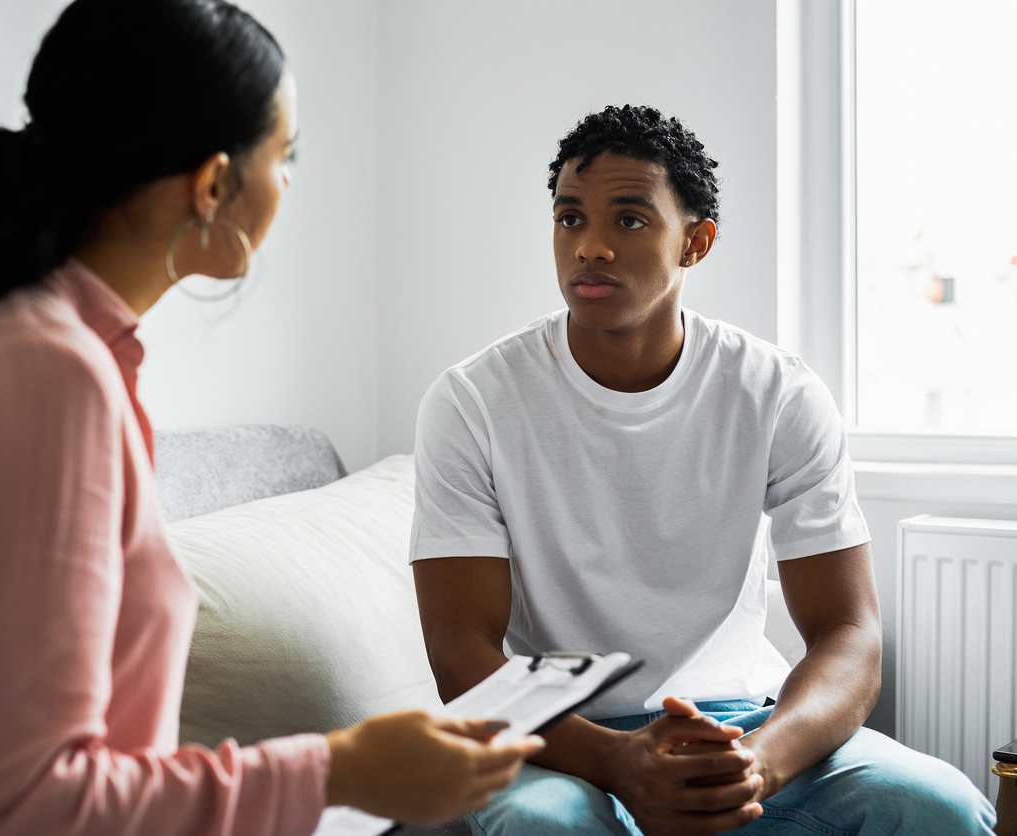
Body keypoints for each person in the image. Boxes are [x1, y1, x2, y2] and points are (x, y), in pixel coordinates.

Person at [0, 1, 544, 833]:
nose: (288, 183)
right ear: (214, 183)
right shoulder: (36, 378)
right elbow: (16, 806)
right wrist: (336, 770)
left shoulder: (17, 349)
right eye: (286, 156)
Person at [409, 104, 996, 835]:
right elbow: (459, 654)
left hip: (746, 725)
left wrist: (760, 762)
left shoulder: (778, 392)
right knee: (545, 828)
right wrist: (621, 762)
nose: (589, 246)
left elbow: (850, 633)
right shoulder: (472, 401)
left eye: (628, 220)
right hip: (558, 738)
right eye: (569, 219)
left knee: (939, 806)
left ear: (696, 241)